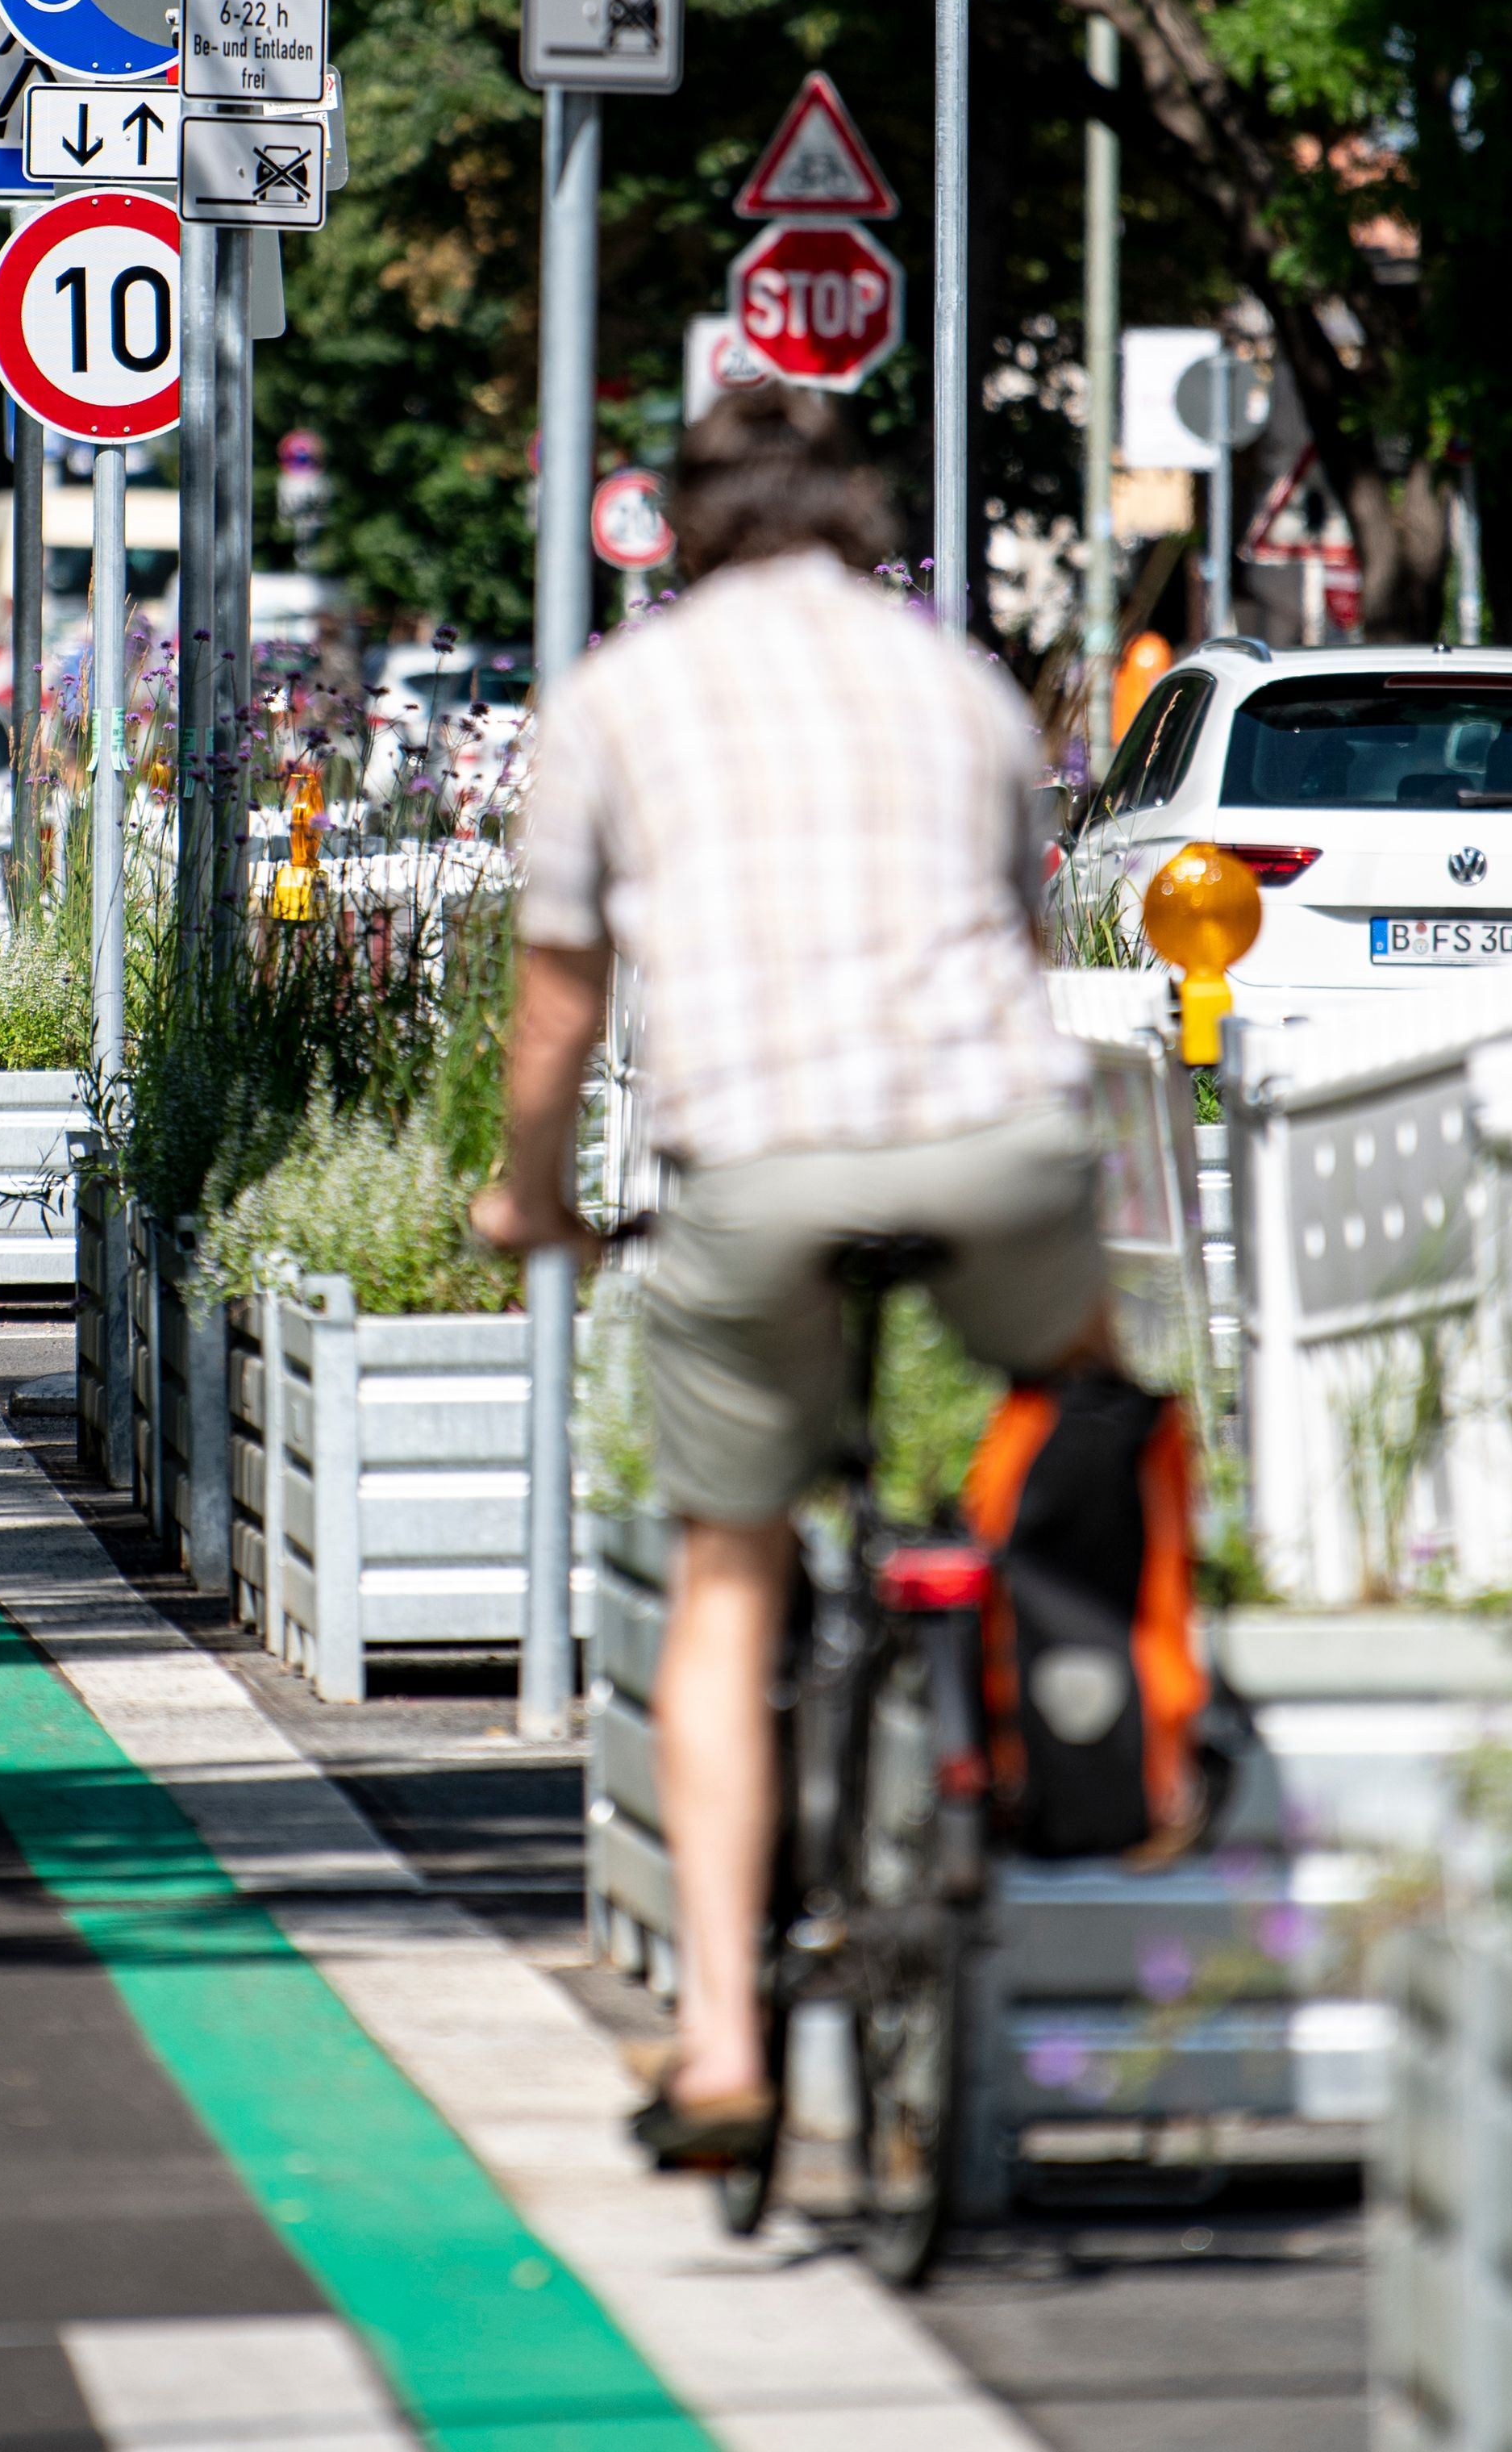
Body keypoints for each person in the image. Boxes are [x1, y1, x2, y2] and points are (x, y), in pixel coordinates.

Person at [469, 388, 1120, 2169]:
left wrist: (528, 1199)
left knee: (730, 1575)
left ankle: (727, 2047)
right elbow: (1021, 926)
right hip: (995, 1146)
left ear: (685, 526)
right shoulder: (963, 680)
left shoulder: (618, 699)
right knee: (1090, 1392)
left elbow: (558, 1003)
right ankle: (1096, 1698)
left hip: (754, 1175)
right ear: (858, 518)